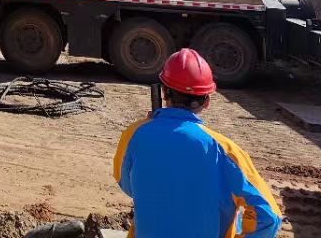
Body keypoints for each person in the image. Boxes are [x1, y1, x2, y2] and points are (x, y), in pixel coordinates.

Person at [114, 48, 281, 237]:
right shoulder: (225, 151)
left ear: (164, 92)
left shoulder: (134, 134)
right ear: (207, 101)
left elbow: (128, 186)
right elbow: (269, 217)